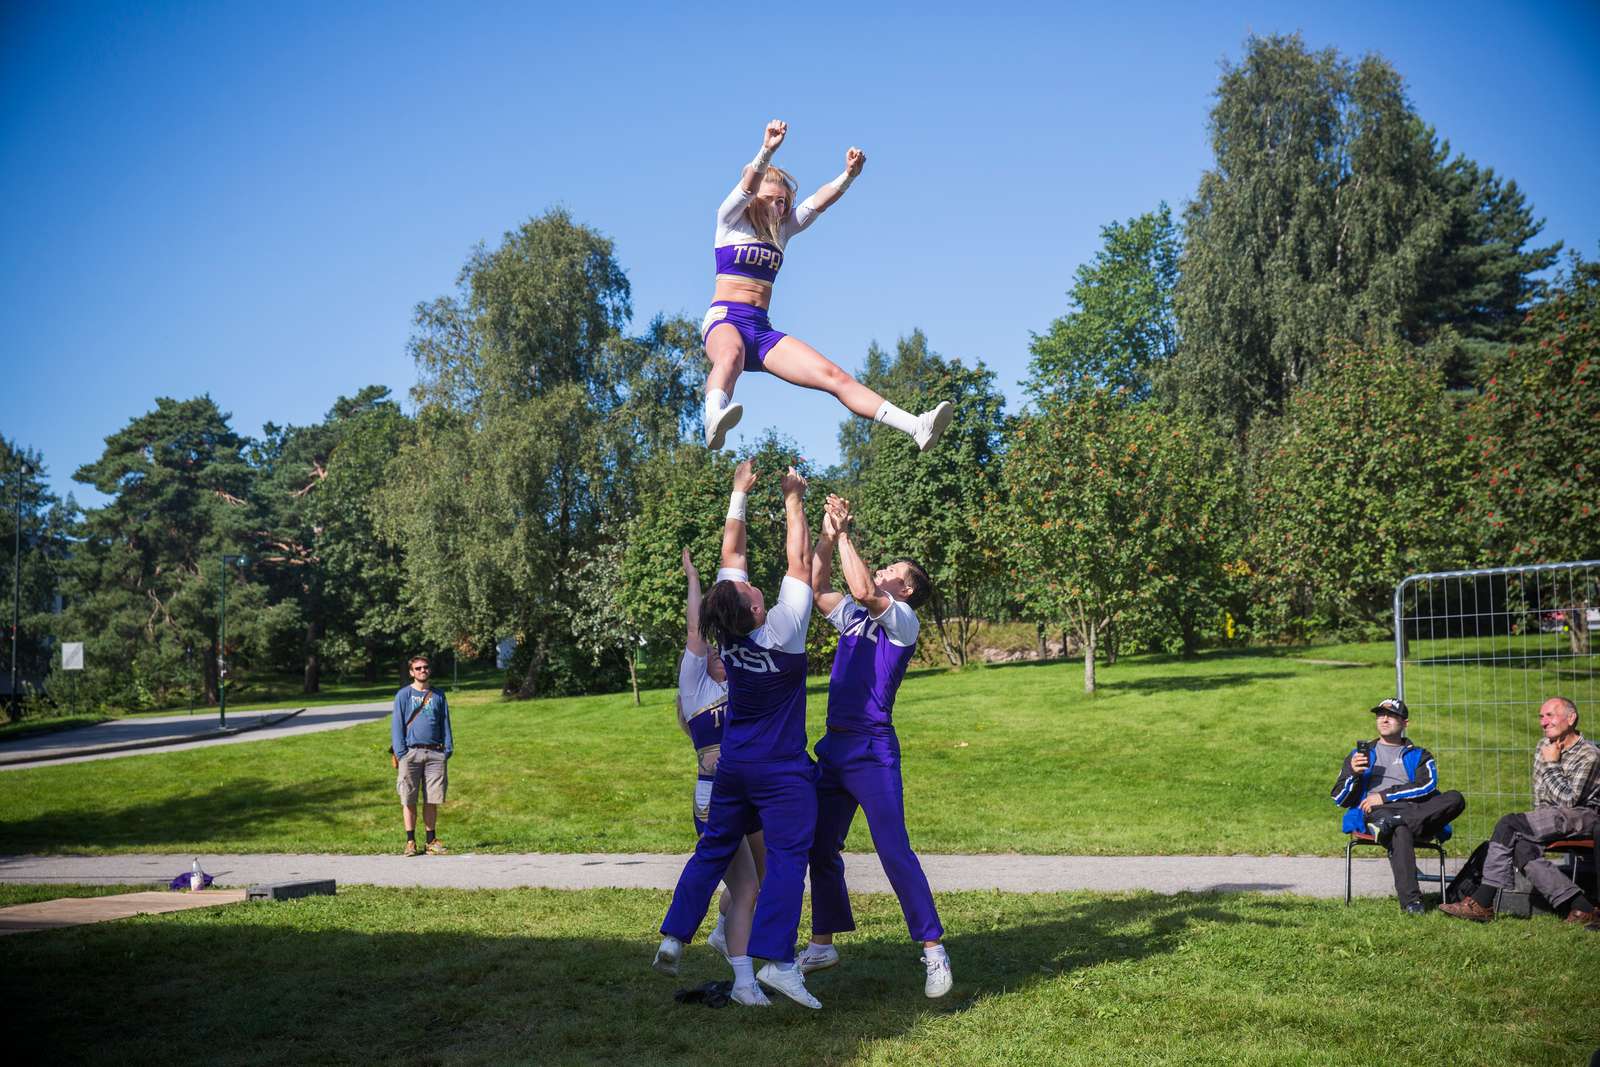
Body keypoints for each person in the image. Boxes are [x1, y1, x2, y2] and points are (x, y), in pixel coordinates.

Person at [655, 461, 822, 1009]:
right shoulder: (784, 629)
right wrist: (794, 499)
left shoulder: (726, 631)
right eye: (752, 588)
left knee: (712, 852)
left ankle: (675, 932)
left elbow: (732, 554)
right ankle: (777, 960)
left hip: (734, 768)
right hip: (778, 767)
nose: (751, 582)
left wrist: (738, 495)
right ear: (755, 606)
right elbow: (797, 559)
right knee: (789, 859)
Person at [700, 119, 953, 453]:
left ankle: (915, 426)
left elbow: (817, 202)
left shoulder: (782, 233)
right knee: (730, 355)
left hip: (761, 332)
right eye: (774, 199)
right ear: (757, 199)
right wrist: (767, 151)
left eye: (785, 202)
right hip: (725, 319)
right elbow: (747, 185)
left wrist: (848, 175)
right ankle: (713, 416)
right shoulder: (730, 221)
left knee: (834, 376)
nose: (782, 207)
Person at [796, 493, 953, 996]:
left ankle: (933, 951)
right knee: (819, 846)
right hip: (836, 749)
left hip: (872, 750)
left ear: (904, 587)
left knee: (893, 849)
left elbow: (861, 587)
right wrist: (825, 533)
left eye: (892, 569)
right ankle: (822, 945)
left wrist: (844, 534)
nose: (882, 569)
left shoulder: (903, 621)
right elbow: (818, 586)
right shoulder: (857, 622)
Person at [676, 546, 767, 983]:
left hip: (747, 790)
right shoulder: (696, 690)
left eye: (718, 652)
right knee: (744, 883)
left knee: (757, 879)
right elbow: (696, 630)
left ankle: (721, 931)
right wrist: (694, 579)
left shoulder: (743, 681)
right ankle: (739, 969)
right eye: (711, 654)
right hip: (714, 794)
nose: (716, 654)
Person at [1441, 696, 1600, 924]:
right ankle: (1582, 907)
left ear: (1571, 718)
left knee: (1510, 823)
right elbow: (1541, 797)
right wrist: (1537, 825)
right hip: (1553, 817)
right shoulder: (1543, 746)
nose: (1543, 722)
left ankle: (1483, 900)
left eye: (1550, 715)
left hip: (1584, 816)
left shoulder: (1589, 754)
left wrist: (1552, 764)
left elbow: (1569, 802)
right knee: (1523, 848)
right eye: (1541, 716)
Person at [1330, 697, 1466, 913]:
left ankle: (1397, 821)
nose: (1384, 719)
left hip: (1416, 811)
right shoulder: (1360, 755)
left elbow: (1427, 786)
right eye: (1380, 715)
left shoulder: (1420, 754)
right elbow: (1339, 798)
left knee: (1455, 798)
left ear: (1405, 723)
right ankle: (1412, 902)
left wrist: (1385, 795)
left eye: (1392, 715)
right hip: (1378, 813)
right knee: (1400, 831)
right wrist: (1353, 775)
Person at [392, 655, 452, 857]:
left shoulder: (439, 695)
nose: (422, 671)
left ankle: (431, 841)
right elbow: (397, 725)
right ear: (411, 672)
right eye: (418, 668)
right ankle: (410, 841)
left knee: (432, 799)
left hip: (435, 753)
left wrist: (447, 749)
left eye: (425, 667)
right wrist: (401, 752)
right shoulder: (403, 695)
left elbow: (445, 722)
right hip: (411, 753)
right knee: (408, 798)